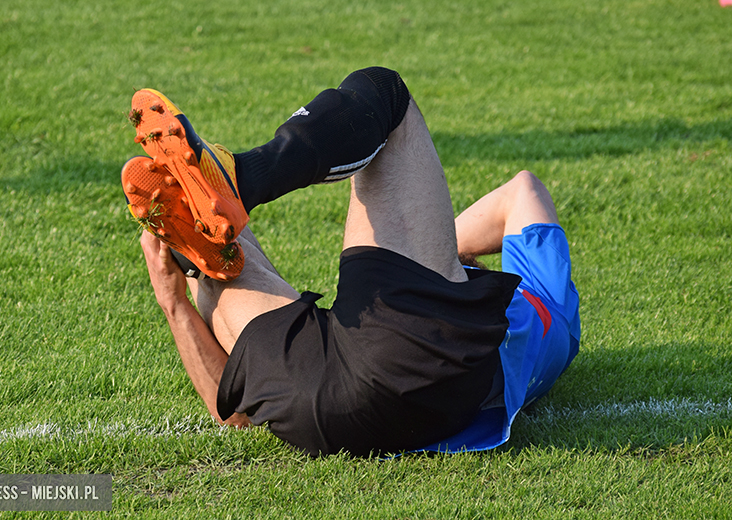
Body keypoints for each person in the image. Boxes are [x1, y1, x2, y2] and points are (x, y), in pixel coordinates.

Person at [121, 67, 581, 457]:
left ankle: (246, 176)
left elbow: (523, 191)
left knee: (382, 92)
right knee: (222, 249)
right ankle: (196, 231)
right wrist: (172, 302)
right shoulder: (548, 323)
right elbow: (234, 414)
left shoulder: (550, 304)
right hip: (332, 403)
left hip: (411, 359)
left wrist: (174, 305)